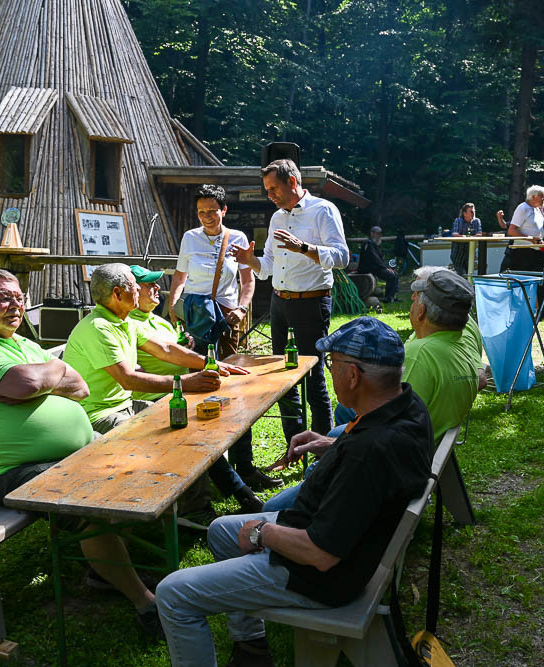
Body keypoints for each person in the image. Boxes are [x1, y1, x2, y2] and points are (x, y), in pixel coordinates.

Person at [155, 317, 434, 667]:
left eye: (332, 364)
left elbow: (320, 553)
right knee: (222, 529)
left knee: (173, 595)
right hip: (342, 538)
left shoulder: (369, 455)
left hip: (320, 576)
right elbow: (374, 453)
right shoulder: (407, 407)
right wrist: (333, 444)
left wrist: (262, 534)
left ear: (353, 376)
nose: (330, 373)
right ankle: (252, 651)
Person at [0, 269, 166, 636]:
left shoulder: (25, 346)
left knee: (137, 460)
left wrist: (51, 372)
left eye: (19, 297)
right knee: (84, 496)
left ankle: (105, 567)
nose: (15, 305)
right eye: (3, 298)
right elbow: (27, 382)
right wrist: (44, 379)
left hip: (68, 453)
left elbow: (77, 386)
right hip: (8, 470)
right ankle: (146, 603)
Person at [263, 266, 485, 512]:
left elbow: (379, 435)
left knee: (268, 509)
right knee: (342, 423)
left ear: (421, 311)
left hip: (385, 472)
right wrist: (331, 442)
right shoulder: (459, 346)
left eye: (415, 299)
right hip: (413, 455)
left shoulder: (420, 354)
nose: (411, 300)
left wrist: (334, 448)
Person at [128, 265, 264, 514]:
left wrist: (187, 341)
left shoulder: (157, 321)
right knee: (197, 435)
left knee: (236, 406)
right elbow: (159, 357)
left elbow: (174, 348)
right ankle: (228, 497)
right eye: (149, 285)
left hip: (185, 390)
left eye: (156, 283)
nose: (157, 288)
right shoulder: (130, 324)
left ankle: (244, 473)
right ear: (132, 291)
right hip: (159, 398)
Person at [231, 158, 350, 442]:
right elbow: (269, 265)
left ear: (292, 182)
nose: (269, 195)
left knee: (313, 377)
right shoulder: (277, 218)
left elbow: (343, 257)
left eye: (273, 188)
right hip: (279, 302)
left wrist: (306, 248)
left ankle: (321, 446)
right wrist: (252, 261)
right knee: (282, 374)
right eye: (267, 190)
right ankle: (294, 445)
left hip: (311, 303)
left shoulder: (323, 210)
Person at [167, 185, 275, 490]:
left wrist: (242, 309)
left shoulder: (237, 239)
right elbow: (180, 276)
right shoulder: (190, 238)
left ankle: (245, 466)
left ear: (223, 210)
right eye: (201, 211)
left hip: (226, 321)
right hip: (195, 323)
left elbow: (247, 280)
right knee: (197, 390)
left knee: (235, 391)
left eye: (212, 210)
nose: (206, 217)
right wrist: (174, 308)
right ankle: (203, 467)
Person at [64, 263, 248, 434]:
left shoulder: (124, 320)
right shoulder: (98, 327)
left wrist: (210, 363)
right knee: (161, 438)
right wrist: (185, 382)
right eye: (134, 284)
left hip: (127, 405)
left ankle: (226, 471)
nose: (138, 288)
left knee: (187, 423)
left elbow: (165, 349)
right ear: (117, 294)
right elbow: (128, 380)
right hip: (99, 415)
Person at [500, 184, 544, 322]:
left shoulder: (538, 209)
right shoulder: (523, 208)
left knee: (543, 280)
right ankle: (518, 314)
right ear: (533, 196)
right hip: (522, 253)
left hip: (536, 251)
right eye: (542, 196)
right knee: (523, 283)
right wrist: (529, 239)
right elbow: (511, 231)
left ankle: (543, 312)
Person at [356, 225, 399, 302]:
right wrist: (385, 268)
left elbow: (379, 259)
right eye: (377, 233)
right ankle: (388, 298)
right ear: (372, 234)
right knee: (392, 275)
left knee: (394, 274)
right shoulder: (369, 243)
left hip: (374, 267)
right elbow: (375, 259)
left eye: (380, 234)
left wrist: (387, 267)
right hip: (368, 268)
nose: (379, 236)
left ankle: (390, 296)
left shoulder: (373, 244)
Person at [450, 203, 483, 276]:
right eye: (471, 211)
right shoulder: (458, 220)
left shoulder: (477, 221)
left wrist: (470, 237)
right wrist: (464, 237)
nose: (473, 213)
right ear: (464, 213)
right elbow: (455, 234)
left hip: (470, 253)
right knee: (461, 275)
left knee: (469, 274)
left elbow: (479, 234)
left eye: (474, 211)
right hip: (458, 253)